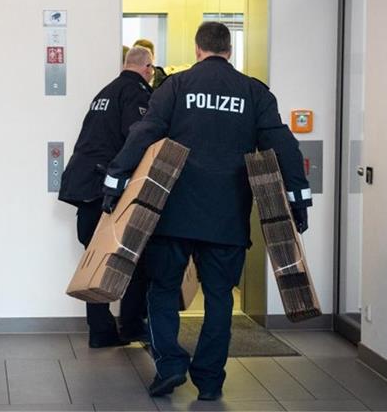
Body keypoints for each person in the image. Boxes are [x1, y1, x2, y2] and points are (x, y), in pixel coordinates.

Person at [103, 22, 311, 399]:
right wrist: (298, 198)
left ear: (198, 49)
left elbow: (145, 132)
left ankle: (170, 365)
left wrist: (115, 180)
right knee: (219, 298)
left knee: (162, 289)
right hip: (227, 217)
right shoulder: (254, 92)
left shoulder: (175, 86)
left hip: (173, 213)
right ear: (229, 51)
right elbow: (283, 144)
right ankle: (210, 381)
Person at [58, 46, 155, 348]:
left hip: (85, 185)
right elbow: (137, 139)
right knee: (136, 258)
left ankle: (101, 331)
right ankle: (131, 325)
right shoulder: (136, 93)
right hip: (107, 188)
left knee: (97, 259)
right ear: (147, 68)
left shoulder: (106, 91)